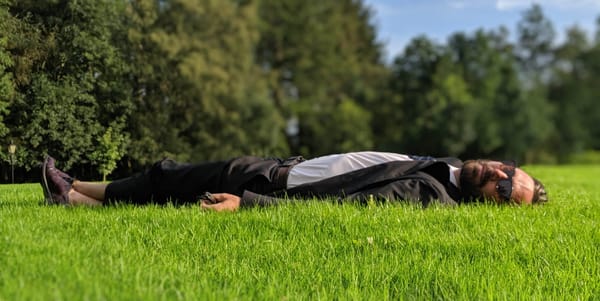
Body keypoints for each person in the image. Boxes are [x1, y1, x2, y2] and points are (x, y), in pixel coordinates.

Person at [40, 151, 548, 211]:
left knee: (170, 179)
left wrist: (250, 205)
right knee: (170, 180)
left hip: (280, 183)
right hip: (289, 165)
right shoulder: (451, 168)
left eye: (506, 189)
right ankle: (75, 188)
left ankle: (72, 193)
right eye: (510, 170)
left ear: (493, 202)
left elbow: (350, 208)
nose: (500, 176)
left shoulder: (433, 192)